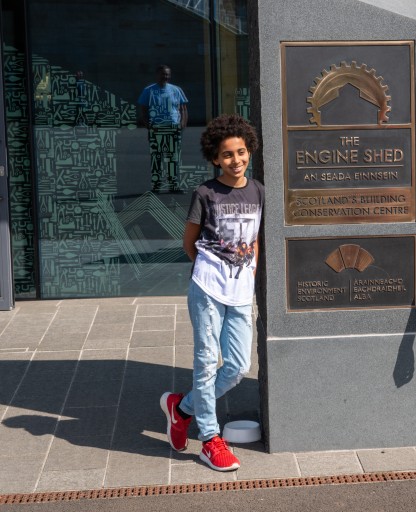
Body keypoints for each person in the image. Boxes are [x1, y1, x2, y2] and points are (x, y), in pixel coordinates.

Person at [160, 114, 264, 472]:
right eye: (227, 154)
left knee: (237, 366)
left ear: (249, 151)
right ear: (215, 158)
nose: (236, 160)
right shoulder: (205, 193)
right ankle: (209, 438)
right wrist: (212, 270)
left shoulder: (258, 191)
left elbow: (255, 240)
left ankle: (183, 408)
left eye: (241, 152)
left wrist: (247, 272)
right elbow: (189, 243)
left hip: (241, 289)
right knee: (206, 362)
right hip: (207, 287)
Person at [137, 65, 189, 192]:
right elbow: (143, 109)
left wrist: (182, 123)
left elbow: (183, 109)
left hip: (173, 128)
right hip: (157, 128)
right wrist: (148, 125)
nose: (165, 77)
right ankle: (156, 186)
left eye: (167, 74)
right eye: (162, 74)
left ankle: (173, 185)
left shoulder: (176, 90)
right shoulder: (148, 90)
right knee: (157, 158)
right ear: (157, 75)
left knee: (173, 158)